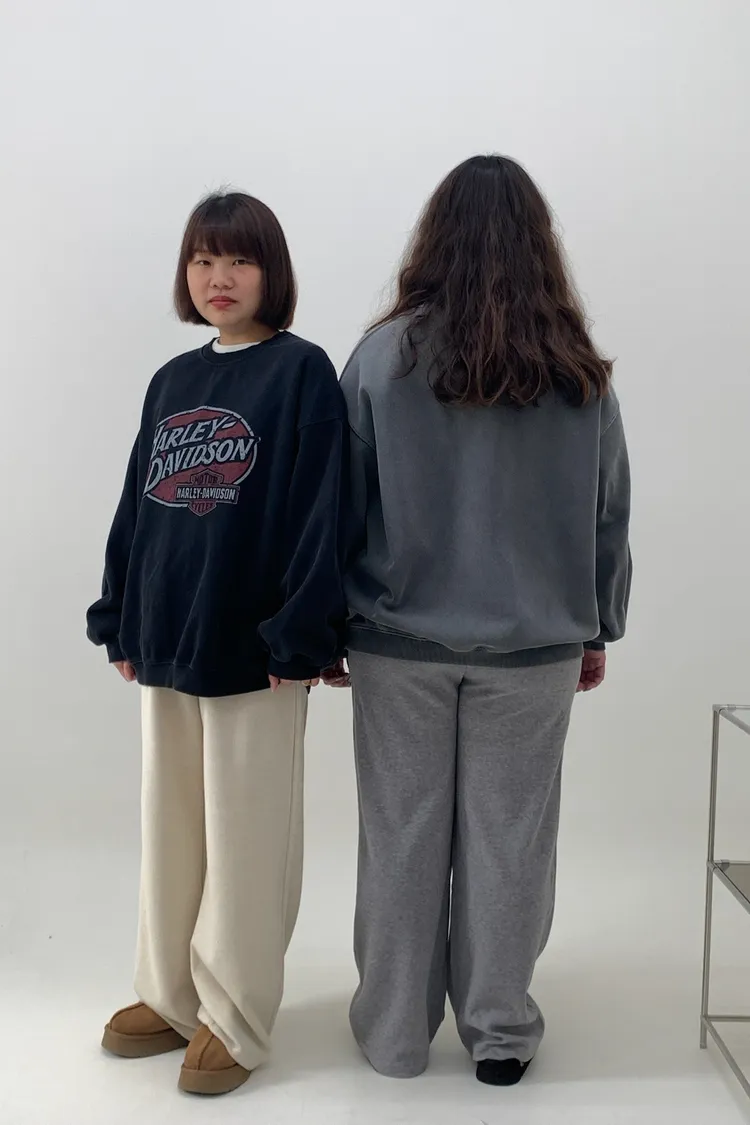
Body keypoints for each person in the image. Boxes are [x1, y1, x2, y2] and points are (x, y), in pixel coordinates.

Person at [324, 155, 631, 1087]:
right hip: (534, 647)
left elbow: (341, 505)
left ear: (436, 237)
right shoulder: (577, 372)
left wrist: (330, 621)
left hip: (396, 641)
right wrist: (597, 625)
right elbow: (607, 510)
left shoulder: (380, 359)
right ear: (541, 244)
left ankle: (394, 1033)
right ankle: (499, 1031)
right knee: (510, 843)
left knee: (401, 835)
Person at [87, 191, 348, 1095]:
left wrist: (302, 633)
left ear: (272, 270)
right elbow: (137, 509)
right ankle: (169, 994)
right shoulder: (172, 380)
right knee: (171, 828)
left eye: (238, 259)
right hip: (169, 635)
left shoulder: (303, 373)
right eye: (203, 259)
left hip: (257, 651)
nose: (219, 277)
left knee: (247, 839)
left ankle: (235, 1012)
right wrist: (119, 612)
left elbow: (323, 514)